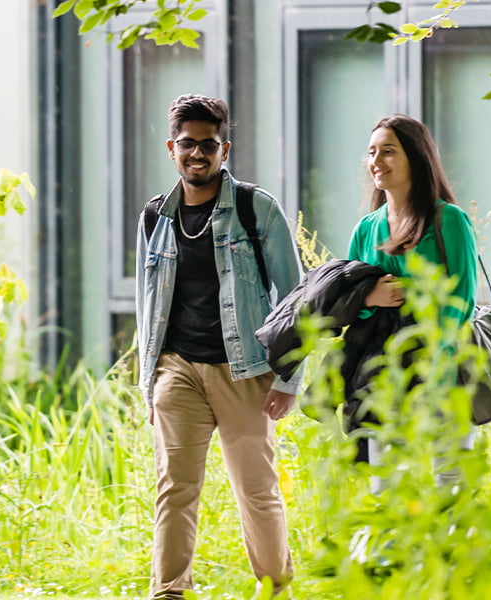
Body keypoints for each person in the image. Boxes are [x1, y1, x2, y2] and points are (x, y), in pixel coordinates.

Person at [134, 94, 304, 597]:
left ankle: (274, 587)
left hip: (245, 370)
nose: (198, 154)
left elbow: (295, 299)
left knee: (256, 489)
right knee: (175, 488)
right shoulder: (154, 217)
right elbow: (149, 305)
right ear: (171, 147)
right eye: (188, 144)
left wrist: (289, 377)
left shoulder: (256, 209)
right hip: (176, 369)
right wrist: (149, 383)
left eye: (209, 145)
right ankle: (169, 590)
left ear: (224, 149)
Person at [347, 114, 481, 488]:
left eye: (389, 151)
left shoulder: (448, 220)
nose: (376, 161)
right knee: (387, 487)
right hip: (383, 373)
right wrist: (372, 296)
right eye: (372, 152)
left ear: (416, 158)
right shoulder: (367, 228)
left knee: (452, 485)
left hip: (445, 372)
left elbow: (462, 298)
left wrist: (438, 366)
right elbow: (346, 297)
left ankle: (455, 550)